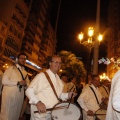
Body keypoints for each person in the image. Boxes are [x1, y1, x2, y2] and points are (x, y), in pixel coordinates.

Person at [25, 55, 76, 120]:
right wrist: (38, 102)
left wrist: (67, 95)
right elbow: (29, 91)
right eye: (56, 62)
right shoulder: (42, 76)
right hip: (40, 114)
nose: (58, 64)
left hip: (52, 113)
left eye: (60, 63)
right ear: (50, 63)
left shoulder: (58, 79)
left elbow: (58, 95)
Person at [0, 53, 30, 120]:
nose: (23, 60)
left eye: (25, 59)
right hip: (9, 97)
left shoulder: (25, 72)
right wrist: (18, 83)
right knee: (6, 116)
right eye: (21, 58)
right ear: (17, 59)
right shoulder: (11, 68)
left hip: (19, 98)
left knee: (15, 115)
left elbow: (29, 86)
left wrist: (25, 85)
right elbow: (4, 81)